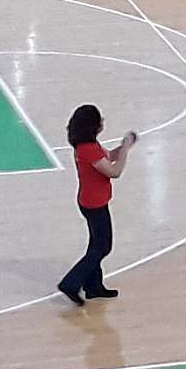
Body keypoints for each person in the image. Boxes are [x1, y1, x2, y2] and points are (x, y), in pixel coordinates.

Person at [58, 105, 137, 307]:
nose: (103, 121)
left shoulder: (89, 146)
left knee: (96, 245)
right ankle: (71, 283)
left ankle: (93, 286)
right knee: (103, 246)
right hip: (94, 203)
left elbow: (108, 156)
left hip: (92, 200)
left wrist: (124, 146)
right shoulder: (88, 149)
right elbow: (114, 171)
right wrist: (125, 149)